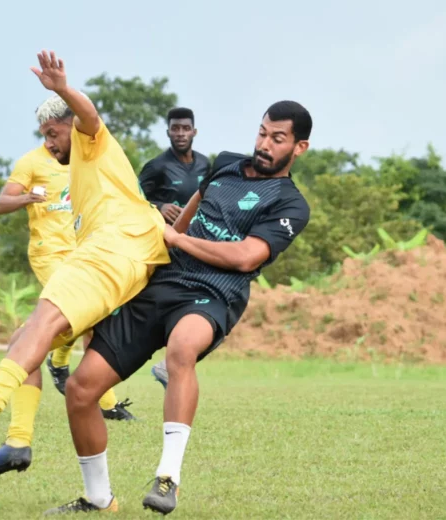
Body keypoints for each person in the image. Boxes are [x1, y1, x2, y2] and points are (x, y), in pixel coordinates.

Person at [43, 100, 313, 516]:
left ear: (299, 148)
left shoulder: (291, 204)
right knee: (80, 391)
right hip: (163, 283)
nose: (264, 143)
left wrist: (178, 240)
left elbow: (245, 257)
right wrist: (163, 243)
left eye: (277, 139)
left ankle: (168, 478)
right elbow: (186, 215)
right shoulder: (224, 164)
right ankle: (98, 498)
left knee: (182, 350)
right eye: (262, 132)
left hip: (214, 293)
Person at [0, 50, 170, 485]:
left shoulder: (90, 142)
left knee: (42, 318)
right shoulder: (75, 168)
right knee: (24, 338)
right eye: (43, 134)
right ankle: (18, 442)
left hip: (115, 248)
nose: (48, 142)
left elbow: (90, 115)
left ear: (69, 127)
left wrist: (62, 88)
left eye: (52, 132)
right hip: (124, 257)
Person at [137, 108, 211, 389]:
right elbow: (131, 199)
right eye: (175, 129)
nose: (180, 133)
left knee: (204, 308)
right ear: (168, 132)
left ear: (194, 131)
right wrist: (159, 206)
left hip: (198, 247)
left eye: (185, 128)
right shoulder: (156, 166)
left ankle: (169, 364)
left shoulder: (206, 165)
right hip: (164, 248)